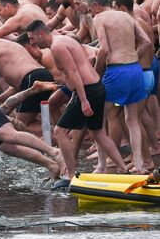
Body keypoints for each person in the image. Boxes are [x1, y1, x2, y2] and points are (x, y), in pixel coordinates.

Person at [26, 20, 127, 178]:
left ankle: (71, 175)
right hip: (95, 87)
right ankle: (123, 169)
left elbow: (73, 72)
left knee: (60, 131)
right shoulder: (65, 40)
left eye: (32, 39)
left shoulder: (57, 46)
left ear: (41, 34)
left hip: (88, 91)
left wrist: (83, 99)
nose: (32, 43)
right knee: (98, 133)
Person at [87, 0, 152, 174]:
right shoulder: (126, 15)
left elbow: (104, 49)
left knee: (99, 120)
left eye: (91, 8)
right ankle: (140, 166)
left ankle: (101, 165)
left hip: (116, 72)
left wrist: (96, 73)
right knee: (132, 119)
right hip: (135, 70)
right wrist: (131, 58)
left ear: (97, 5)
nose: (91, 13)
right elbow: (146, 42)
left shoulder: (100, 18)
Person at [0, 30, 55, 131]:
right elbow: (14, 89)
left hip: (33, 79)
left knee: (21, 125)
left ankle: (58, 141)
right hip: (43, 75)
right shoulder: (12, 49)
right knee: (28, 121)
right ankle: (58, 138)